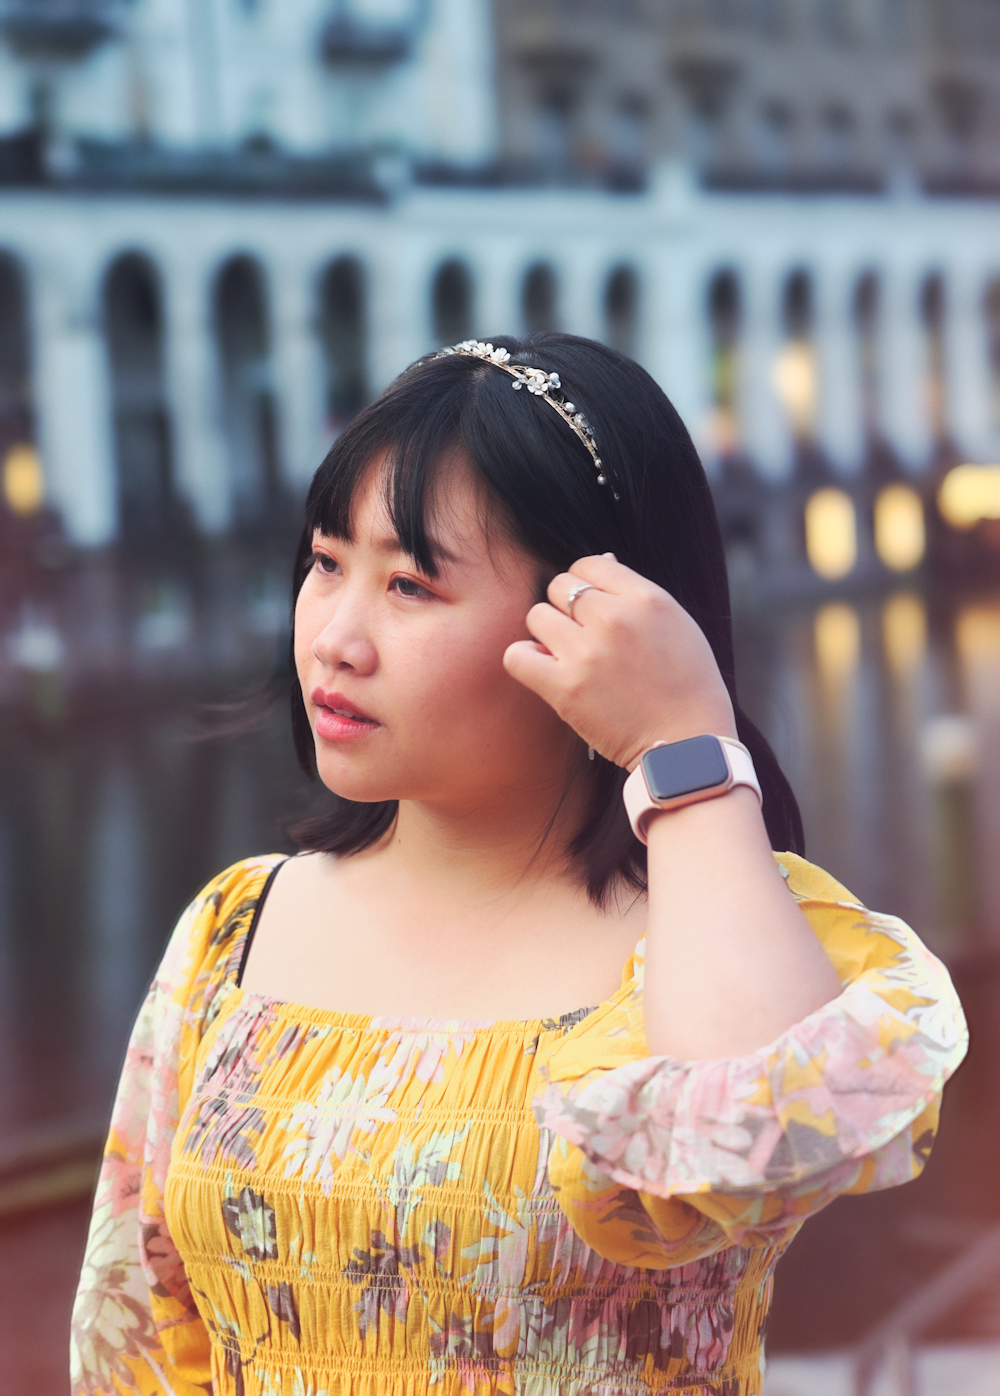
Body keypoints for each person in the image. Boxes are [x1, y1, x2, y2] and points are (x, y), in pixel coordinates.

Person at [71, 335, 966, 1396]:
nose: (334, 639)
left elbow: (767, 1149)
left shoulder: (702, 935)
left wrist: (683, 745)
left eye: (408, 585)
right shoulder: (236, 926)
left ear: (592, 618)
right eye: (324, 563)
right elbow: (138, 1332)